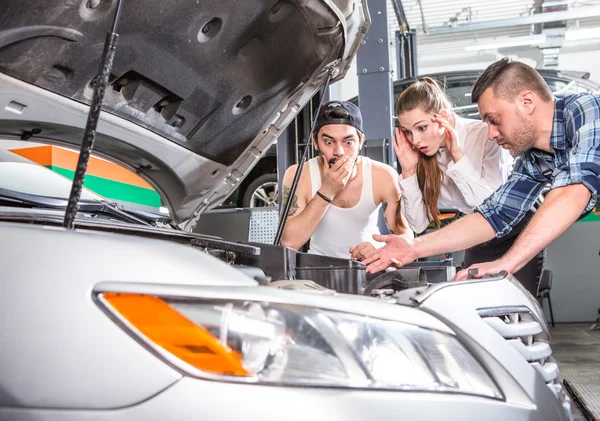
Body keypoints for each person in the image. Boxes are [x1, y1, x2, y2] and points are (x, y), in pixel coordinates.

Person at [360, 58, 599, 295]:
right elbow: (496, 214)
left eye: (494, 120)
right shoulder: (534, 159)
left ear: (527, 102)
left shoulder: (586, 110)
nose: (491, 133)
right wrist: (413, 247)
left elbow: (574, 188)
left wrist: (506, 262)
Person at [389, 77, 544, 293]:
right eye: (407, 132)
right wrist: (409, 171)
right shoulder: (420, 155)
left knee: (518, 308)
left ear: (442, 118)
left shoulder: (485, 135)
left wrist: (458, 157)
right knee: (477, 306)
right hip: (476, 233)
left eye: (421, 128)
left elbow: (493, 209)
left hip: (518, 229)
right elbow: (418, 225)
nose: (415, 140)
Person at [280, 100, 413, 259]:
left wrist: (380, 252)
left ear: (361, 141)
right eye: (328, 142)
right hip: (319, 269)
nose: (339, 151)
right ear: (315, 143)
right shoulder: (298, 174)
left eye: (348, 142)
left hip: (371, 266)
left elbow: (405, 235)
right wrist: (327, 190)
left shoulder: (382, 175)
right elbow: (289, 242)